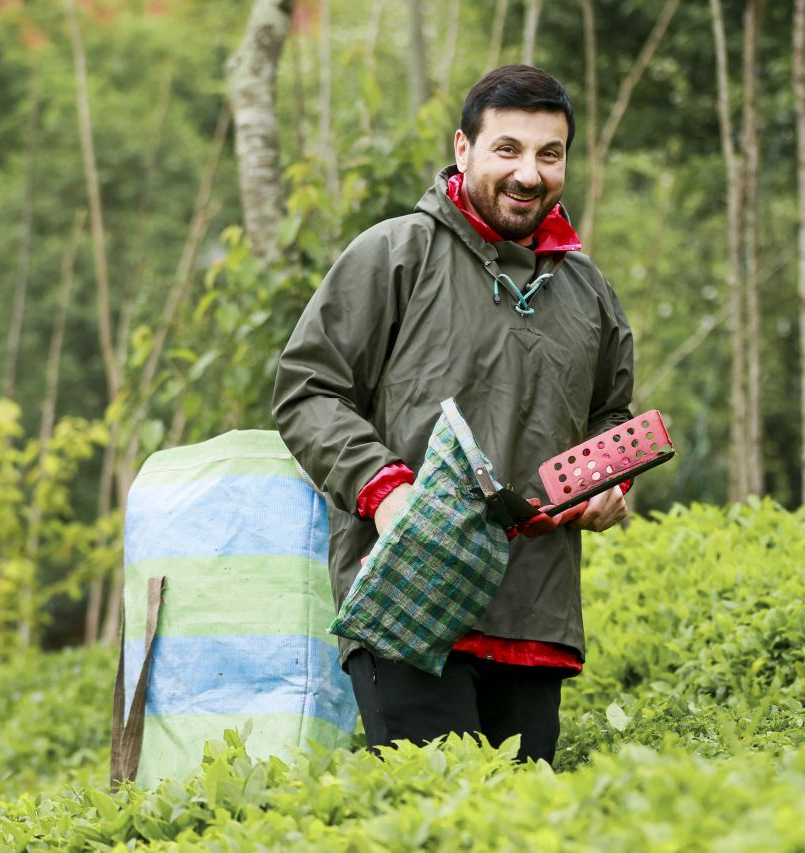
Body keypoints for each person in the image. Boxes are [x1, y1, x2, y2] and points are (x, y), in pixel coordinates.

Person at [272, 65, 634, 764]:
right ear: (463, 149)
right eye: (508, 149)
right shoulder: (394, 253)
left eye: (548, 154)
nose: (528, 173)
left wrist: (610, 481)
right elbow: (308, 388)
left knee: (522, 825)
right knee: (437, 816)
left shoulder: (590, 291)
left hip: (536, 613)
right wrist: (384, 489)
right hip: (408, 596)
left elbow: (608, 414)